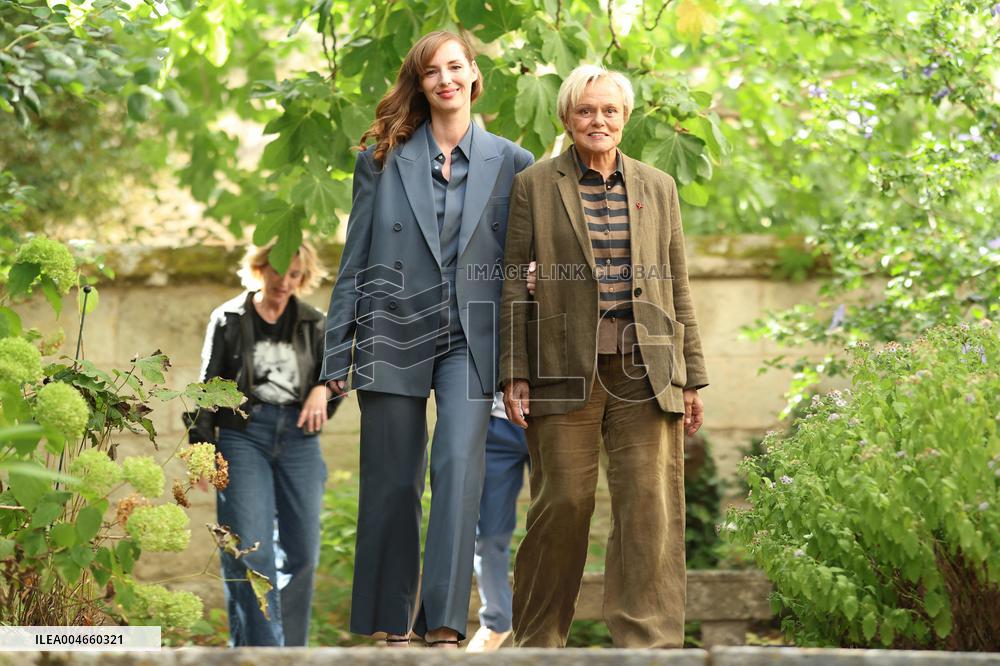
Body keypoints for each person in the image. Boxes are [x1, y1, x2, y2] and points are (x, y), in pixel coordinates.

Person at [321, 31, 534, 648]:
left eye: (455, 67)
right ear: (419, 84)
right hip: (392, 331)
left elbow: (529, 255)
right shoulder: (382, 160)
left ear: (473, 76)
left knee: (458, 467)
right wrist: (338, 352)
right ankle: (393, 621)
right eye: (431, 72)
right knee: (392, 478)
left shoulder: (513, 163)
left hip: (473, 339)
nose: (445, 79)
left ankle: (442, 622)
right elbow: (354, 262)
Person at [499, 64, 709, 648]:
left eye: (610, 110)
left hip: (649, 367)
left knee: (649, 506)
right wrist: (514, 370)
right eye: (587, 110)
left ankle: (650, 646)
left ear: (626, 117)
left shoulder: (657, 186)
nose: (599, 120)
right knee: (562, 501)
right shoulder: (535, 185)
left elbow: (677, 285)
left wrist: (691, 376)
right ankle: (537, 643)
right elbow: (515, 281)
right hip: (563, 368)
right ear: (567, 117)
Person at [192, 240, 339, 646]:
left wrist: (324, 388)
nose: (285, 282)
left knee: (303, 554)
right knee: (248, 550)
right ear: (261, 268)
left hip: (299, 440)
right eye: (278, 271)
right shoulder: (229, 319)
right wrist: (203, 448)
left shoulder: (315, 323)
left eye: (295, 275)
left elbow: (339, 381)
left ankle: (292, 653)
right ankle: (259, 653)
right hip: (244, 436)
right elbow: (208, 387)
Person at [466, 394, 530, 652]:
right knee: (488, 533)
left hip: (558, 419)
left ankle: (548, 621)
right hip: (496, 421)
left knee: (558, 525)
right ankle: (496, 621)